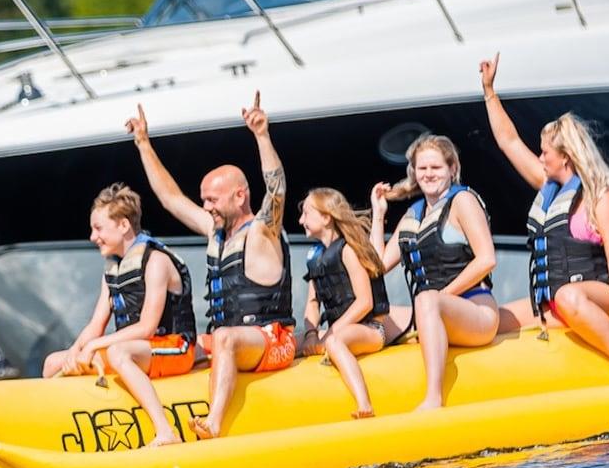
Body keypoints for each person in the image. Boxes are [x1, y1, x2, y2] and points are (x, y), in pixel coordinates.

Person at [128, 92, 295, 440]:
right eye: (204, 200)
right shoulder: (214, 232)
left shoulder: (262, 231)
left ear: (239, 196)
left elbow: (277, 190)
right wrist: (143, 144)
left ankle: (214, 423)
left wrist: (262, 135)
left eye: (212, 199)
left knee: (223, 338)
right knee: (179, 345)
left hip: (273, 339)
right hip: (228, 342)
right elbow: (171, 198)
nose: (206, 207)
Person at [480, 54, 609, 383]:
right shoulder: (549, 189)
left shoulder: (602, 198)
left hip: (607, 296)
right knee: (495, 320)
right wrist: (489, 92)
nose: (540, 158)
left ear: (566, 157)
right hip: (559, 300)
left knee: (568, 296)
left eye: (545, 153)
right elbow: (509, 142)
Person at [42, 183, 198, 447]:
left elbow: (147, 327)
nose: (93, 237)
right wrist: (75, 352)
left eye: (98, 228)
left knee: (118, 353)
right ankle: (55, 432)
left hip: (176, 348)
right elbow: (96, 324)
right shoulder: (113, 269)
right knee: (52, 363)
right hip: (138, 351)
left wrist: (94, 346)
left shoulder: (156, 261)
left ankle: (165, 431)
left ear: (124, 225)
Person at [370, 133, 501, 409]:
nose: (429, 174)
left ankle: (433, 398)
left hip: (476, 311)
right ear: (414, 172)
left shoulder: (462, 201)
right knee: (372, 316)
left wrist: (441, 298)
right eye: (422, 168)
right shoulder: (413, 214)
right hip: (430, 311)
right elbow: (377, 266)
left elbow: (487, 259)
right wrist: (379, 215)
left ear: (452, 169)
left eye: (436, 167)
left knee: (426, 299)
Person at [297, 188, 397, 418]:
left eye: (306, 213)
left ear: (326, 217)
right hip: (339, 329)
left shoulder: (349, 250)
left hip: (370, 330)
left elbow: (365, 302)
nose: (301, 220)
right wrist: (311, 334)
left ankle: (364, 403)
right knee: (292, 343)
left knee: (334, 343)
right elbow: (312, 303)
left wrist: (328, 335)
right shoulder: (316, 257)